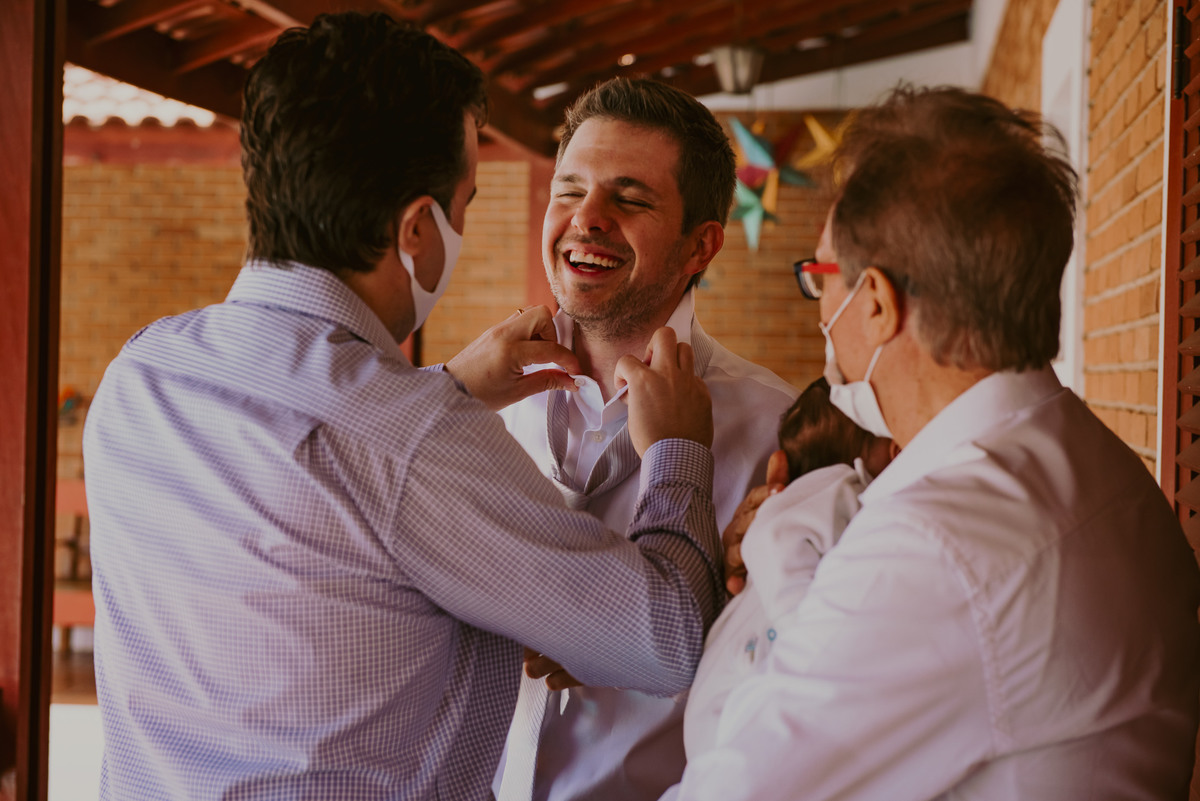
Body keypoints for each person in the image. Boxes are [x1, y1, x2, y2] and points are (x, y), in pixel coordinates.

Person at [82, 13, 726, 800]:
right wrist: (680, 452)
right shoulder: (418, 438)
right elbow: (665, 637)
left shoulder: (141, 371)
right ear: (418, 230)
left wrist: (442, 392)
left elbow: (325, 501)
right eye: (465, 205)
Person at [662, 85, 1200, 800]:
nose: (821, 305)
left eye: (821, 276)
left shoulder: (936, 546)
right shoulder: (1098, 462)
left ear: (878, 304)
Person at [492, 78, 797, 801]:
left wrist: (634, 630)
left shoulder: (776, 428)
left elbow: (798, 672)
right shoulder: (477, 405)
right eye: (569, 190)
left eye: (629, 198)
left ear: (702, 245)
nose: (586, 218)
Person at [683, 377, 894, 758]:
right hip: (738, 701)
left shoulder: (816, 501)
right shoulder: (835, 490)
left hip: (725, 714)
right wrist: (808, 632)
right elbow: (779, 548)